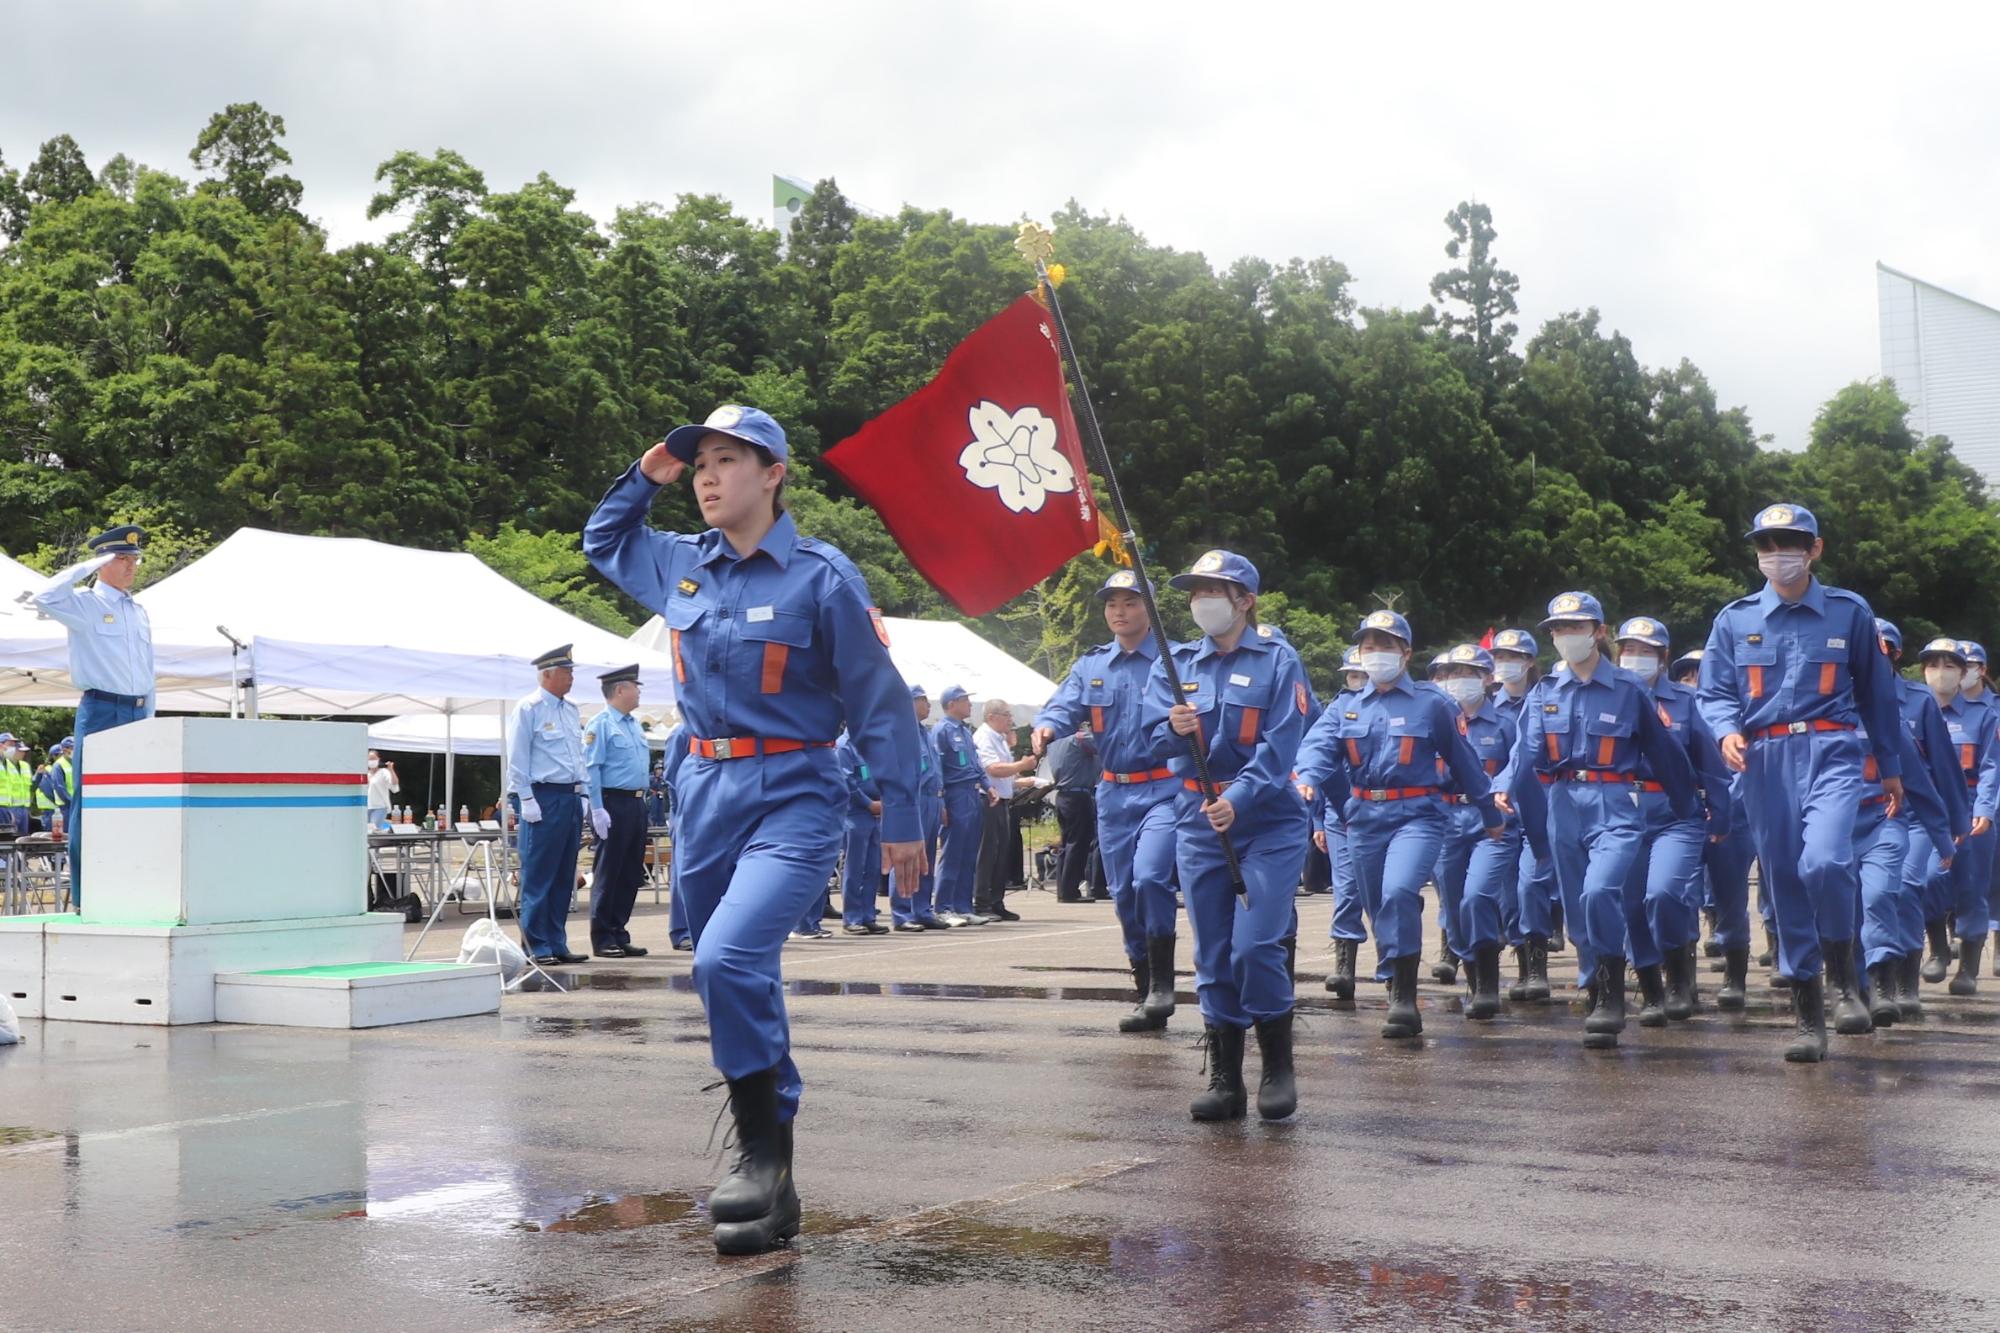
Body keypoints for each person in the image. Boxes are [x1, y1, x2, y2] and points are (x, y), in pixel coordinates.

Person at [583, 402, 924, 1256]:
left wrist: (904, 817)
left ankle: (761, 1154)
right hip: (703, 789)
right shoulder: (678, 564)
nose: (707, 474)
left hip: (797, 789)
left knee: (725, 957)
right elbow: (601, 538)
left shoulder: (822, 575)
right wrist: (648, 469)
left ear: (773, 474)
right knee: (732, 965)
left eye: (729, 459)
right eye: (699, 461)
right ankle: (774, 1171)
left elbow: (880, 705)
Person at [1697, 503, 1905, 1063]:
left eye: (1789, 542)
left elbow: (1879, 697)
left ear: (1815, 549)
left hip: (1833, 749)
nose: (1776, 554)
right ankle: (1807, 1016)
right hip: (1763, 759)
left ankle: (1844, 980)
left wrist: (1889, 767)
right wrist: (1723, 733)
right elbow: (1713, 692)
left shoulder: (1848, 612)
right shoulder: (1735, 619)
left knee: (1827, 861)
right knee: (1784, 882)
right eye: (1766, 544)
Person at [1147, 550, 1312, 1121]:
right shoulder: (1173, 663)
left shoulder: (1278, 660)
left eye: (1215, 590)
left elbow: (1281, 745)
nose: (1202, 601)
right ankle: (1224, 1077)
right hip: (1198, 820)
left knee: (1255, 945)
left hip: (1266, 821)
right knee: (1214, 953)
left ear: (1245, 600)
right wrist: (1172, 728)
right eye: (1194, 591)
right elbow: (1149, 740)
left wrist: (1237, 800)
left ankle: (1278, 1064)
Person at [1494, 593, 1697, 1051]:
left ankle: (1611, 995)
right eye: (1559, 630)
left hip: (1616, 802)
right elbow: (1523, 754)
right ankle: (1599, 990)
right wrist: (1504, 786)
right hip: (1561, 803)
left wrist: (1690, 811)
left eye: (1576, 627)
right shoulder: (1545, 690)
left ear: (1599, 632)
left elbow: (1665, 753)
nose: (1566, 637)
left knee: (1599, 890)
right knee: (1577, 904)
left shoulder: (1628, 689)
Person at [1299, 610, 1500, 1043]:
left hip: (1419, 815)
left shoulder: (1432, 703)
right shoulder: (1346, 706)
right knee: (1378, 908)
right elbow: (1318, 746)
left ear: (1405, 653)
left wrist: (1489, 812)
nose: (1376, 653)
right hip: (1365, 820)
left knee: (1399, 891)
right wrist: (1307, 779)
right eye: (1369, 645)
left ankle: (1404, 1000)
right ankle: (1395, 979)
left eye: (1385, 645)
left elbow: (1464, 761)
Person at [1033, 569, 1182, 1033]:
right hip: (1114, 791)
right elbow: (1063, 704)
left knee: (1151, 877)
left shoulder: (1177, 661)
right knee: (1123, 895)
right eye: (1112, 604)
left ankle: (1163, 985)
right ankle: (1145, 987)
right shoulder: (1091, 665)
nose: (1119, 612)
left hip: (1165, 788)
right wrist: (1047, 724)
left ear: (1150, 609)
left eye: (1130, 602)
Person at [1612, 616, 1732, 1025]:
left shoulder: (1685, 701)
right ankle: (1649, 987)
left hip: (1675, 814)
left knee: (1663, 894)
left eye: (1646, 651)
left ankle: (1680, 977)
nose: (1636, 658)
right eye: (1629, 650)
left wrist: (1720, 812)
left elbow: (1710, 763)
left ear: (1663, 657)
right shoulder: (1608, 696)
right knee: (1629, 905)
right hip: (1621, 813)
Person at [31, 524, 156, 908]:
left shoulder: (138, 610)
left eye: (133, 559)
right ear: (102, 562)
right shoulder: (86, 604)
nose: (130, 566)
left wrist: (150, 716)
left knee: (139, 799)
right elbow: (44, 596)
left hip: (137, 710)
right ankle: (87, 896)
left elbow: (146, 670)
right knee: (90, 803)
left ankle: (131, 886)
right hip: (102, 709)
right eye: (120, 559)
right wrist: (88, 565)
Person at [1433, 644, 1516, 1020]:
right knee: (1452, 907)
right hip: (1445, 820)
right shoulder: (1435, 719)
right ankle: (1470, 974)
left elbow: (1520, 769)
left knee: (1476, 896)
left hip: (1491, 824)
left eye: (1468, 672)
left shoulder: (1504, 724)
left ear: (1487, 678)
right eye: (1453, 673)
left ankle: (1487, 985)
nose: (1459, 680)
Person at [505, 645, 592, 967]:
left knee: (562, 874)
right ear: (547, 674)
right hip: (542, 796)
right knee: (539, 874)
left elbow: (576, 755)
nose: (571, 677)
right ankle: (536, 944)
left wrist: (583, 794)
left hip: (568, 795)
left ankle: (557, 940)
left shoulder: (570, 709)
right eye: (566, 672)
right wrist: (525, 798)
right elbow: (518, 756)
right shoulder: (529, 707)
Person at [1921, 638, 1997, 994]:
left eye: (1950, 666)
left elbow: (1991, 768)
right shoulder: (1914, 710)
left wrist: (1984, 810)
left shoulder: (1983, 716)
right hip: (1927, 811)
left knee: (1971, 888)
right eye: (1934, 665)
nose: (1942, 674)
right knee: (1925, 879)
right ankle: (1937, 946)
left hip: (1969, 811)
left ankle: (1967, 967)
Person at [1489, 628, 1555, 1001]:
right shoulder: (1484, 707)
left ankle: (1537, 969)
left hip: (1538, 806)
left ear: (1530, 661)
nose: (1505, 664)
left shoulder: (1548, 699)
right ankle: (1520, 964)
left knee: (1531, 886)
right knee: (1506, 896)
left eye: (1512, 657)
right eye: (1499, 657)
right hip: (1499, 811)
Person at [584, 663, 653, 959]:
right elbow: (592, 770)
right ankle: (602, 937)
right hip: (612, 803)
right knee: (609, 871)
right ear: (620, 689)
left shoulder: (633, 724)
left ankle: (619, 931)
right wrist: (597, 808)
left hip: (636, 803)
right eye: (635, 686)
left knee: (629, 872)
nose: (638, 692)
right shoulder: (601, 724)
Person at [1320, 645, 1368, 999]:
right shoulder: (1335, 711)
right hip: (1340, 815)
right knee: (1347, 890)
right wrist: (1317, 821)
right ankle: (1344, 966)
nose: (1358, 682)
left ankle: (1397, 966)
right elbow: (1321, 766)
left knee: (1389, 893)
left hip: (1386, 812)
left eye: (1363, 675)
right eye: (1353, 676)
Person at [933, 685, 996, 927]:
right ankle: (944, 907)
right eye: (965, 700)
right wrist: (941, 800)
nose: (970, 705)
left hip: (971, 793)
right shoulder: (942, 730)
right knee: (952, 853)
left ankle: (963, 906)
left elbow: (975, 763)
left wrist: (986, 784)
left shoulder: (966, 732)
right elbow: (938, 768)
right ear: (952, 704)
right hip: (954, 794)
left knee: (969, 854)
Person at [889, 685, 949, 932]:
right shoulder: (901, 732)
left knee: (927, 858)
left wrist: (941, 802)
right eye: (923, 700)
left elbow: (935, 771)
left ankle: (922, 909)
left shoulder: (925, 733)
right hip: (913, 800)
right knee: (907, 857)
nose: (929, 705)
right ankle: (901, 913)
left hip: (932, 800)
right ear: (909, 702)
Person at [974, 699, 1034, 921]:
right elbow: (992, 769)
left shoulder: (999, 739)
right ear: (992, 717)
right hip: (987, 800)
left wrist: (1024, 781)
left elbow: (1004, 774)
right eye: (1007, 715)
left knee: (1001, 854)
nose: (1011, 719)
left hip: (1002, 800)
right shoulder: (984, 737)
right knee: (987, 853)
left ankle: (996, 901)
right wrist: (1021, 765)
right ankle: (981, 902)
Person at [835, 730, 889, 935]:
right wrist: (868, 804)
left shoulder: (869, 744)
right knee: (855, 868)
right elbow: (847, 782)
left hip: (876, 813)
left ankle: (868, 915)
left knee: (873, 867)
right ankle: (852, 918)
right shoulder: (844, 747)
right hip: (856, 813)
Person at [1044, 724, 1104, 903]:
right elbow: (1104, 744)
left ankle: (1064, 889)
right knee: (1078, 844)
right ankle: (1070, 890)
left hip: (1063, 796)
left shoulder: (1055, 743)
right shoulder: (1079, 739)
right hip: (1078, 796)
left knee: (1068, 844)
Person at [662, 721, 693, 951]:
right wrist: (680, 811)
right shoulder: (682, 732)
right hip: (687, 811)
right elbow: (671, 775)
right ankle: (681, 930)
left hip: (713, 809)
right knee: (683, 872)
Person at [365, 750, 400, 831]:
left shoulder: (384, 772)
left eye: (373, 759)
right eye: (369, 759)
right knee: (366, 831)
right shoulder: (366, 774)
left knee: (374, 830)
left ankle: (375, 843)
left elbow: (394, 783)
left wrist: (391, 769)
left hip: (380, 806)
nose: (371, 761)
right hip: (366, 806)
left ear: (378, 759)